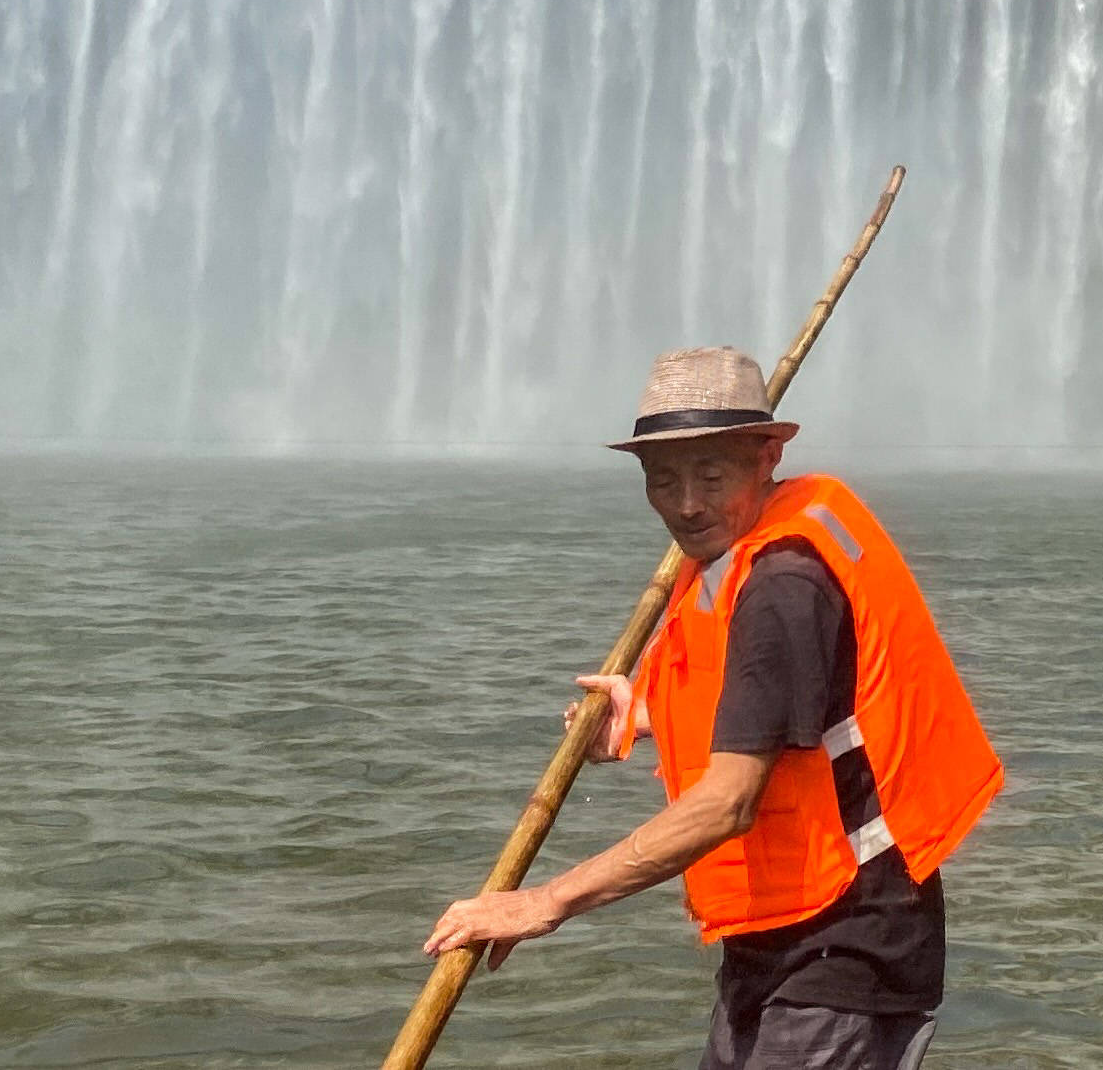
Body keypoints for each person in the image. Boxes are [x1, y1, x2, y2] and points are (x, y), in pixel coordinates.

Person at [423, 347, 1003, 1070]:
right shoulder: (741, 547)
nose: (687, 504)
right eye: (663, 480)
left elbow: (727, 803)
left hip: (850, 939)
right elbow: (780, 700)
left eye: (711, 475)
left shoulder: (785, 584)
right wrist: (645, 716)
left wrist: (543, 903)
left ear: (766, 457)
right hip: (776, 930)